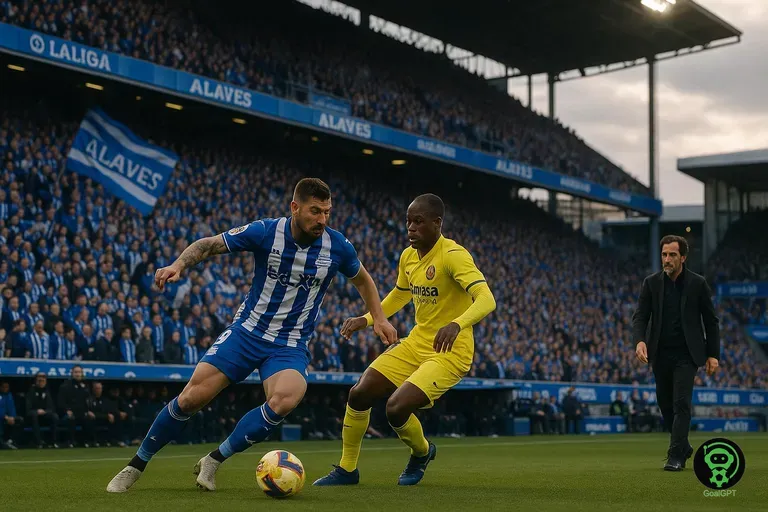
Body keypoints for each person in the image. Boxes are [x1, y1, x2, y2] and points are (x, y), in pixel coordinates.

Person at [107, 178, 397, 493]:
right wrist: (178, 265)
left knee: (286, 398)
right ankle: (135, 465)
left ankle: (214, 460)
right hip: (246, 332)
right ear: (295, 207)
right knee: (191, 398)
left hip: (289, 345)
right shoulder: (265, 232)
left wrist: (378, 318)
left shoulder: (337, 246)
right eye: (315, 212)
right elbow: (209, 244)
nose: (322, 220)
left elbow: (364, 280)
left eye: (327, 212)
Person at [314, 193, 496, 487]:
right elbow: (400, 295)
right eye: (408, 221)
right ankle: (347, 470)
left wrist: (457, 324)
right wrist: (367, 318)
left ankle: (422, 452)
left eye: (418, 222)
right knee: (359, 393)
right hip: (417, 342)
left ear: (437, 223)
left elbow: (487, 299)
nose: (410, 228)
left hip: (450, 352)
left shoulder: (453, 255)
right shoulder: (408, 256)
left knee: (396, 408)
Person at [632, 235, 720, 471]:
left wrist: (713, 354)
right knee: (665, 404)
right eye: (664, 254)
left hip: (687, 355)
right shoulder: (651, 283)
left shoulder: (698, 283)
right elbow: (641, 316)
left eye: (672, 255)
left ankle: (675, 457)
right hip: (659, 353)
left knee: (681, 402)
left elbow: (710, 321)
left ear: (683, 257)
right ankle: (684, 445)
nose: (667, 259)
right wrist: (640, 341)